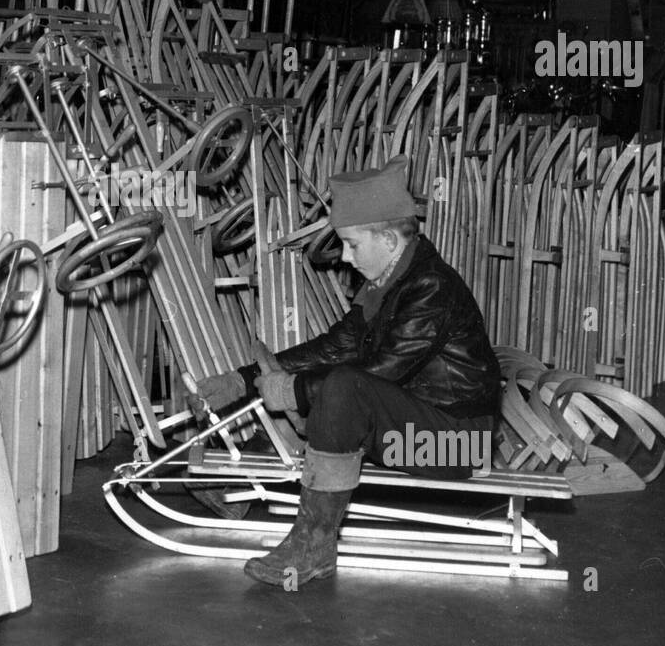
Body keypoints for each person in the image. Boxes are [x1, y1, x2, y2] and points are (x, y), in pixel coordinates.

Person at [195, 156, 501, 589]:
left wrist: (295, 390)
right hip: (420, 433)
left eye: (353, 244)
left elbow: (381, 372)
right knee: (328, 385)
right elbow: (338, 344)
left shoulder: (430, 287)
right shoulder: (389, 280)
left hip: (456, 445)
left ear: (390, 241)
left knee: (341, 389)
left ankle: (314, 546)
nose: (345, 256)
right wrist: (243, 380)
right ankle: (239, 488)